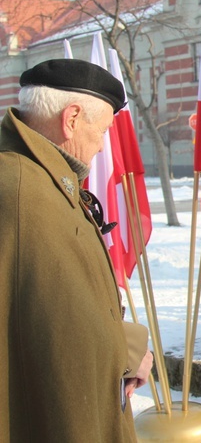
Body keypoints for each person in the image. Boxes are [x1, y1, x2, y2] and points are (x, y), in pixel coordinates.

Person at [0, 59, 153, 442]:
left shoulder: (41, 178)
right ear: (71, 120)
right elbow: (62, 327)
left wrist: (126, 343)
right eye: (100, 131)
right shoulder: (24, 193)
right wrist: (128, 352)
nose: (102, 147)